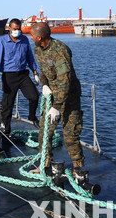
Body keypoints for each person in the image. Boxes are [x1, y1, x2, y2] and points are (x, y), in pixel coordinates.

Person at [30, 22, 84, 170]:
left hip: (69, 98)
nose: (30, 37)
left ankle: (78, 168)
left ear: (40, 37)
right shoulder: (38, 48)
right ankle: (45, 162)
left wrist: (57, 107)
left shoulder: (60, 51)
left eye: (32, 35)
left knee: (70, 134)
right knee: (44, 131)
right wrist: (44, 84)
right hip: (52, 96)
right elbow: (43, 69)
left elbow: (64, 80)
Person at [0, 18, 40, 134]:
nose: (17, 31)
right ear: (9, 28)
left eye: (19, 29)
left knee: (34, 96)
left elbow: (30, 57)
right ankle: (6, 129)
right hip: (9, 76)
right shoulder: (2, 42)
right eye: (14, 29)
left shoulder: (24, 40)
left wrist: (35, 73)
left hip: (23, 75)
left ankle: (32, 117)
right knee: (8, 105)